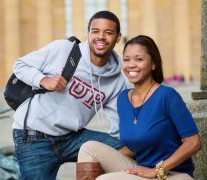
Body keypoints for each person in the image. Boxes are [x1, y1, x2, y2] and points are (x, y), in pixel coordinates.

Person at [12, 10, 127, 179]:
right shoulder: (64, 49)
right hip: (34, 137)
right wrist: (44, 80)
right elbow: (20, 65)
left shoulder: (116, 80)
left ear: (118, 37)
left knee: (125, 147)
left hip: (72, 138)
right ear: (88, 34)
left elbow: (118, 122)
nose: (101, 37)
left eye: (108, 32)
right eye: (95, 31)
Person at [77, 35, 201, 180]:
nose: (131, 65)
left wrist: (156, 170)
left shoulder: (167, 95)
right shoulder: (123, 99)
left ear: (153, 64)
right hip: (142, 172)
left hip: (173, 175)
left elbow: (193, 142)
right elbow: (134, 146)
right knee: (89, 148)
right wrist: (106, 162)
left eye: (139, 59)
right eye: (127, 59)